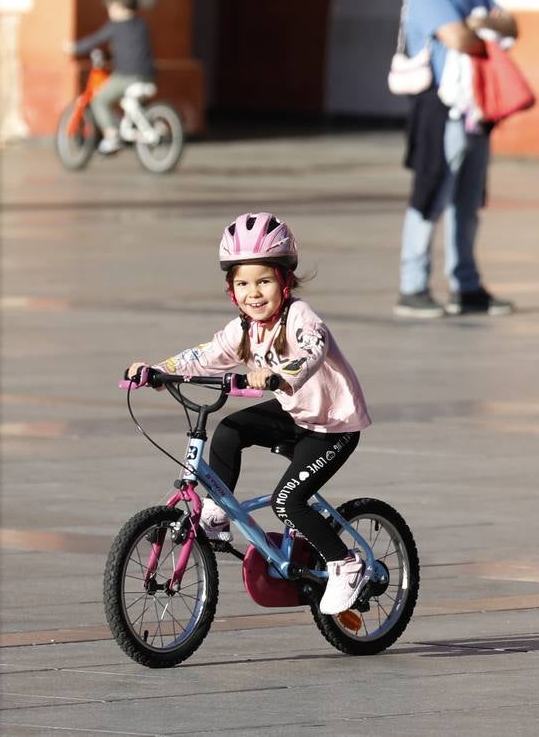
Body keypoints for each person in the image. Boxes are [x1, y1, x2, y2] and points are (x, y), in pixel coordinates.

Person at [125, 212, 373, 615]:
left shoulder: (301, 317)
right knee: (229, 429)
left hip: (332, 425)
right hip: (295, 414)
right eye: (242, 283)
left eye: (264, 281)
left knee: (288, 501)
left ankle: (347, 564)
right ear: (230, 289)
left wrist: (277, 374)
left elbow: (312, 352)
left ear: (285, 281)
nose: (253, 293)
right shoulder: (244, 329)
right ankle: (218, 511)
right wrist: (159, 370)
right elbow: (205, 356)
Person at [393, 0, 519, 319]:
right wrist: (482, 25)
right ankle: (412, 287)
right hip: (439, 108)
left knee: (468, 199)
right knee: (430, 193)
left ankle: (466, 285)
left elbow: (512, 26)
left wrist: (481, 25)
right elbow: (458, 38)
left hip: (476, 110)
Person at [63, 0, 155, 154]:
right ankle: (129, 127)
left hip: (126, 76)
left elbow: (95, 40)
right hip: (147, 75)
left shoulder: (115, 26)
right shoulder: (142, 25)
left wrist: (74, 48)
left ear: (117, 6)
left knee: (100, 100)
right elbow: (132, 49)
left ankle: (111, 135)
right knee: (125, 102)